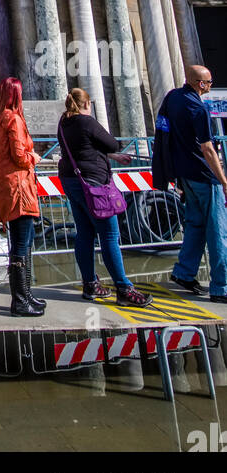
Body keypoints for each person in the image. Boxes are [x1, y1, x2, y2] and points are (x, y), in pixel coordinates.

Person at [57, 88, 151, 306]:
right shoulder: (86, 122)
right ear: (87, 104)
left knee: (84, 234)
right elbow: (112, 143)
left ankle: (90, 284)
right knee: (109, 235)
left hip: (72, 180)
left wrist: (112, 155)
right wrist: (114, 151)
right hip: (94, 184)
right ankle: (124, 288)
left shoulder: (64, 123)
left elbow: (83, 148)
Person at [160, 65, 227, 301]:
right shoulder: (198, 108)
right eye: (209, 82)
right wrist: (224, 180)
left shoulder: (173, 97)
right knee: (218, 232)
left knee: (196, 225)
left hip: (185, 174)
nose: (210, 85)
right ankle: (222, 287)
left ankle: (185, 273)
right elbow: (207, 148)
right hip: (204, 176)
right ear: (201, 84)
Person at [0, 77, 45, 317]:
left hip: (2, 186)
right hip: (18, 187)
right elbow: (19, 155)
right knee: (21, 245)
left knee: (23, 242)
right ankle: (20, 301)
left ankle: (26, 294)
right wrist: (34, 158)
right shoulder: (13, 119)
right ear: (16, 96)